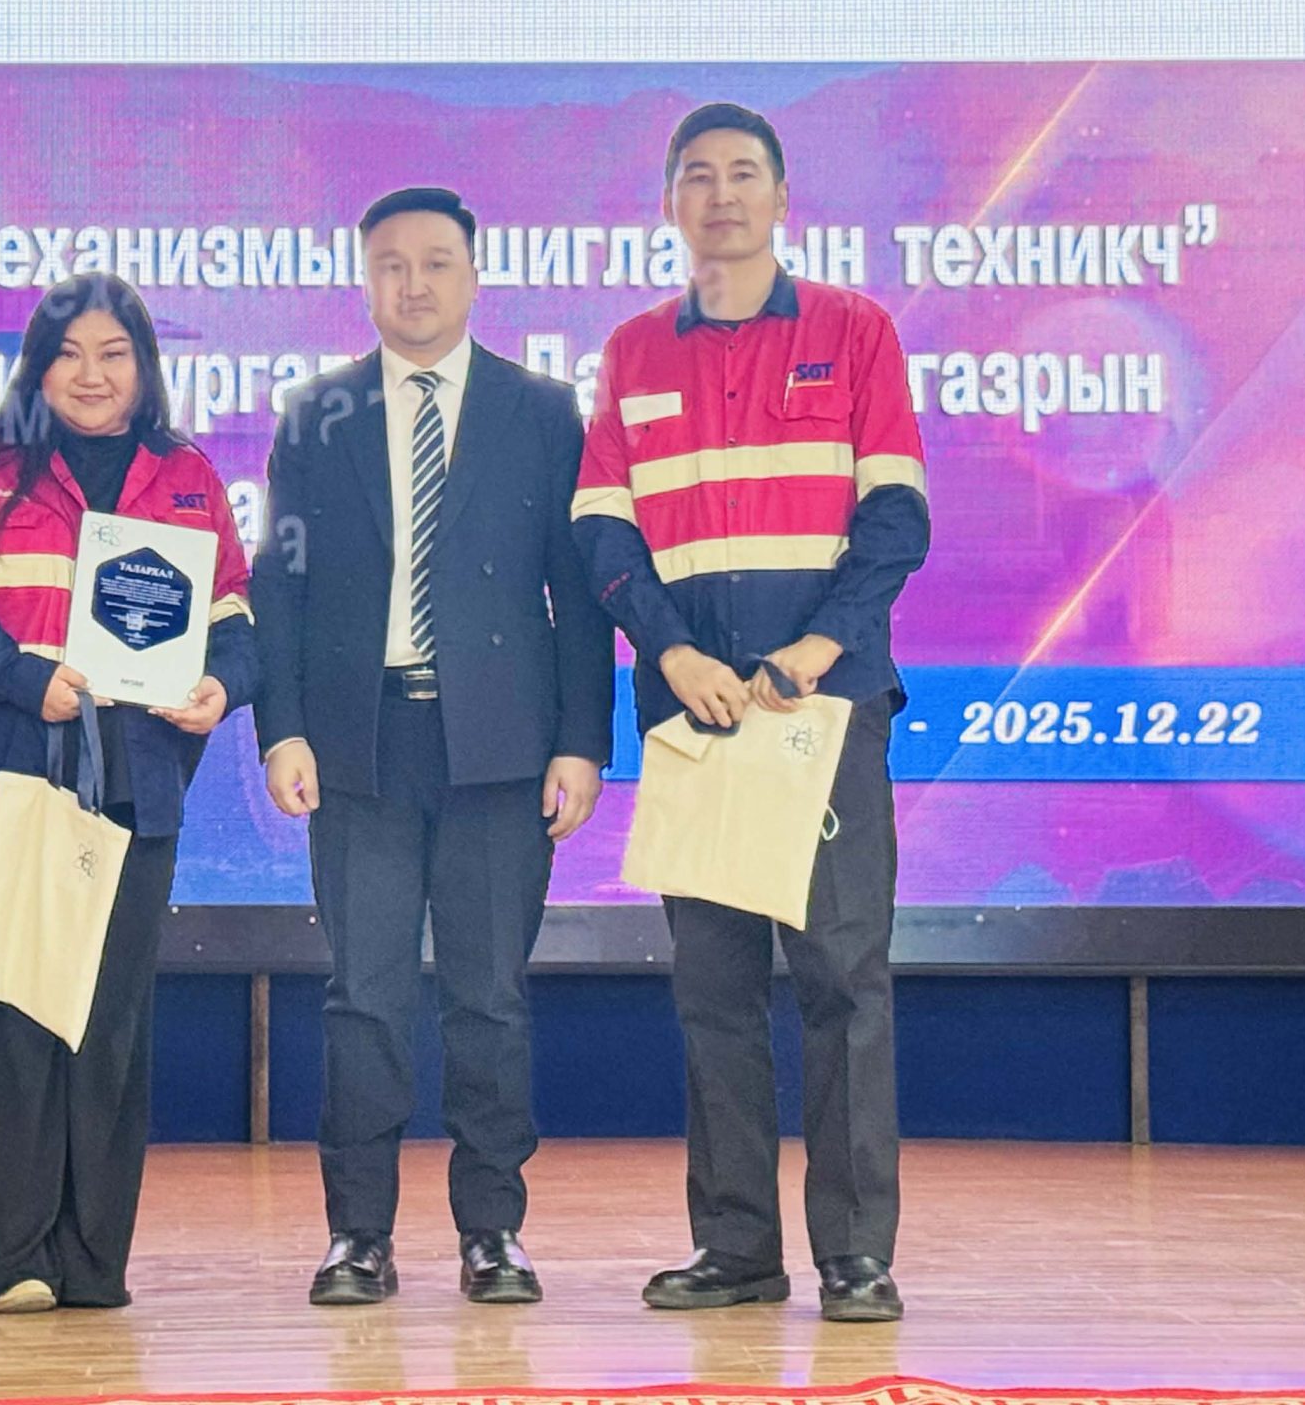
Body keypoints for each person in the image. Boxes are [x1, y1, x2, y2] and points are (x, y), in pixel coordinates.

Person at [571, 102, 930, 1325]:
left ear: (781, 196)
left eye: (741, 175)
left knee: (842, 981)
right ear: (668, 205)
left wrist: (818, 648)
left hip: (822, 711)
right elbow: (603, 531)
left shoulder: (854, 330)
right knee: (712, 995)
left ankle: (855, 1256)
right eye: (697, 177)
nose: (719, 195)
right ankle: (735, 1248)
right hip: (694, 717)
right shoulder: (632, 351)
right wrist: (669, 654)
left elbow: (895, 517)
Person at [251, 186, 613, 1308]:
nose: (414, 284)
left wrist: (582, 741)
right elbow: (281, 583)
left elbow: (577, 591)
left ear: (473, 275)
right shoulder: (316, 413)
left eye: (436, 262)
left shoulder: (541, 411)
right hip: (358, 743)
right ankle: (357, 1234)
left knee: (488, 997)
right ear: (366, 280)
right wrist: (281, 728)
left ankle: (491, 1231)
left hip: (500, 746)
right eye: (392, 265)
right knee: (362, 997)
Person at [0, 272, 257, 1314]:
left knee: (109, 1027)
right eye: (69, 355)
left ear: (145, 367)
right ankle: (5, 1263)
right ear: (37, 368)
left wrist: (221, 687)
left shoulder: (186, 474)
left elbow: (236, 618)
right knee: (7, 1015)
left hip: (136, 780)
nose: (92, 376)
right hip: (12, 772)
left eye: (114, 354)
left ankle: (93, 1263)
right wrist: (22, 678)